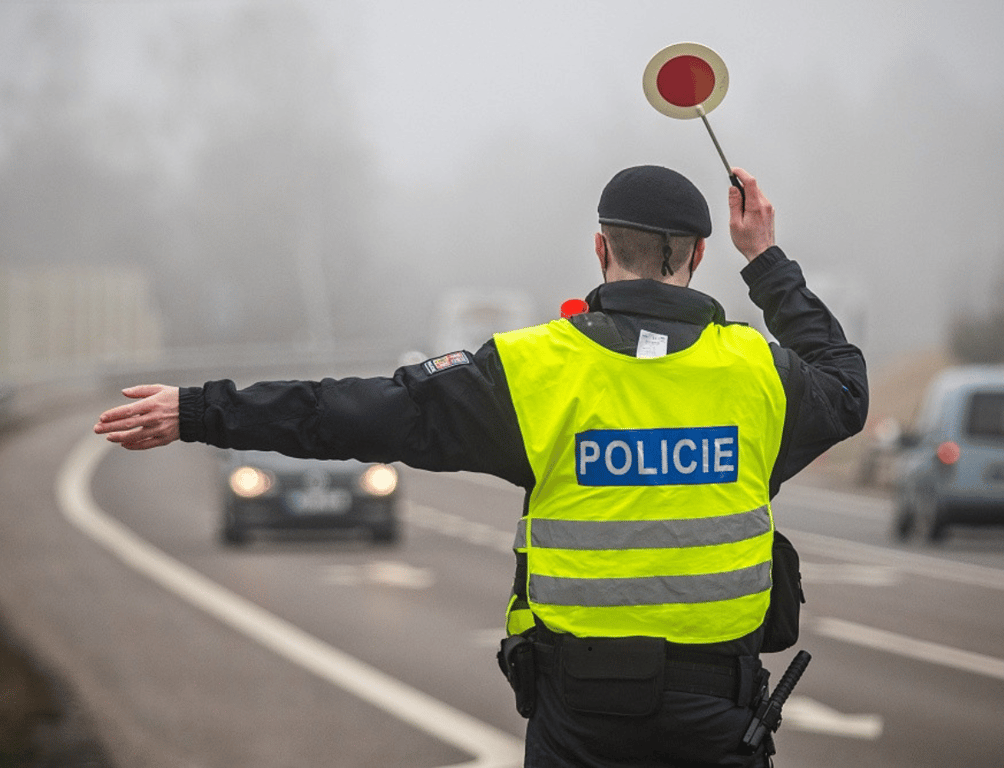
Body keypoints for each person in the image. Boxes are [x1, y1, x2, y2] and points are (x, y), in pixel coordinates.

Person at [95, 166, 867, 767]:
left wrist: (201, 411)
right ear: (700, 255)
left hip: (582, 720)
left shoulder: (532, 370)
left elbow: (355, 410)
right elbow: (846, 384)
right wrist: (766, 262)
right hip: (721, 714)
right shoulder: (762, 374)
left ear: (601, 249)